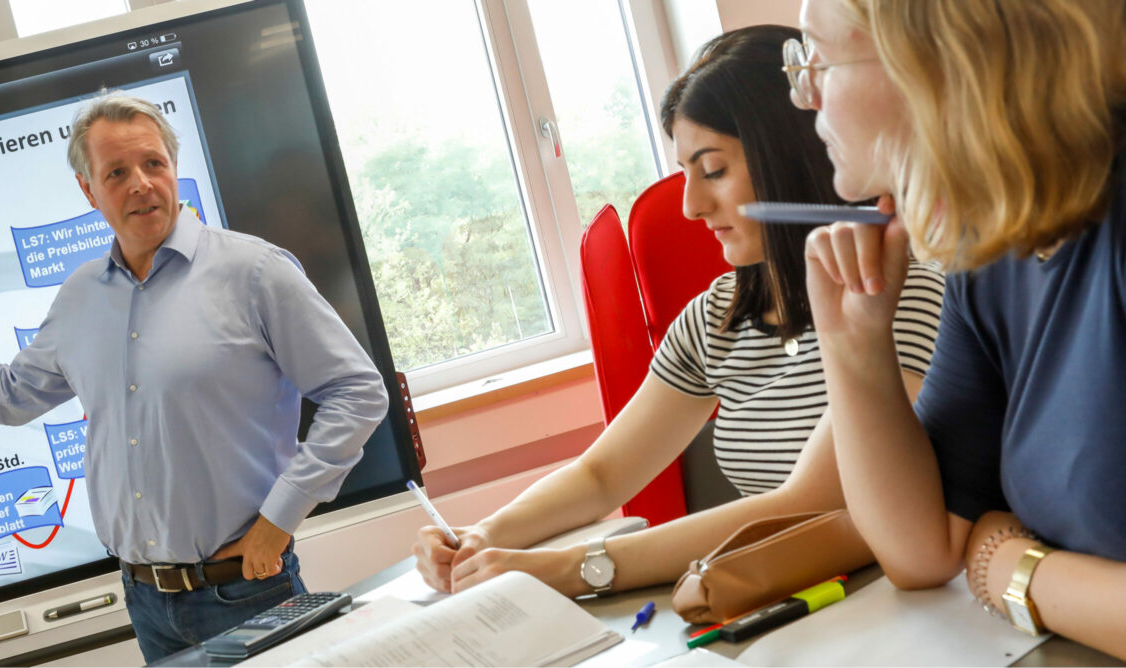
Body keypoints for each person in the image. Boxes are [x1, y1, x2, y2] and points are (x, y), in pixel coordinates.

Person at [0, 93, 389, 661]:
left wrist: (280, 518)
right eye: (117, 172)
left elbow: (357, 392)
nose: (141, 183)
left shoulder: (254, 272)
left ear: (174, 168)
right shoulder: (80, 298)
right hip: (146, 600)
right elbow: (7, 396)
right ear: (89, 190)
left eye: (153, 163)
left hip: (246, 589)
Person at [414, 25, 944, 597]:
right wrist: (483, 536)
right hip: (789, 601)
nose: (691, 206)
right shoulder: (716, 317)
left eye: (713, 170)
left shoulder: (895, 291)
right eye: (685, 174)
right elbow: (601, 475)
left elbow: (807, 502)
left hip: (893, 603)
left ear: (787, 157)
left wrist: (573, 567)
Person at [794, 0, 1126, 658]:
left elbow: (972, 553)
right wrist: (852, 341)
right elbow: (921, 548)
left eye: (817, 58)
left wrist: (1008, 568)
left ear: (933, 62)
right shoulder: (995, 253)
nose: (803, 93)